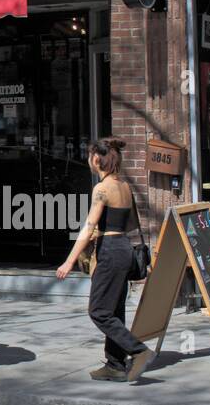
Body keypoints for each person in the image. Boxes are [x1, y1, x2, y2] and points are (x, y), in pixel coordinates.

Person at [56, 137, 154, 384]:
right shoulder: (124, 186)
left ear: (97, 159)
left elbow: (88, 227)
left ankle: (139, 351)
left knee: (98, 311)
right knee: (115, 310)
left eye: (90, 156)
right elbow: (130, 223)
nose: (89, 160)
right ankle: (115, 364)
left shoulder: (101, 189)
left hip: (110, 250)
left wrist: (69, 261)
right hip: (124, 248)